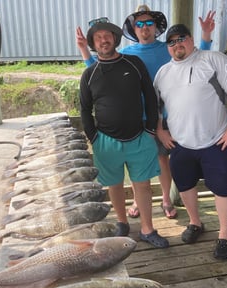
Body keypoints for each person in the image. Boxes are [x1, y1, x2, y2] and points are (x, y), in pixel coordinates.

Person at [76, 5, 216, 220]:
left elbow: (194, 56)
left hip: (169, 116)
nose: (144, 28)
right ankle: (137, 201)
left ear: (156, 27)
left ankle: (168, 200)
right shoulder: (126, 54)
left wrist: (206, 35)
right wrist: (85, 49)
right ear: (133, 29)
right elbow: (99, 70)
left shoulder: (167, 48)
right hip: (137, 120)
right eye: (139, 24)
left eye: (149, 23)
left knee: (164, 160)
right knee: (136, 164)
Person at [154, 24, 227, 259]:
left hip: (217, 140)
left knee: (222, 189)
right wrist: (161, 132)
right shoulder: (163, 73)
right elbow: (154, 106)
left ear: (192, 39)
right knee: (185, 186)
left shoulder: (213, 59)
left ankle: (224, 235)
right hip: (181, 144)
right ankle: (195, 223)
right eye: (172, 42)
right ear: (168, 47)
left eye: (181, 38)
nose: (177, 45)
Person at [79, 19, 168, 248]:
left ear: (115, 38)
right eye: (97, 37)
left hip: (140, 136)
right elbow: (84, 110)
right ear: (92, 43)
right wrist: (94, 138)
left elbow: (150, 96)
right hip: (105, 141)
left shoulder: (134, 63)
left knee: (144, 185)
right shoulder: (89, 74)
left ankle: (148, 229)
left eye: (107, 35)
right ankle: (122, 222)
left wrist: (150, 129)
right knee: (114, 185)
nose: (103, 40)